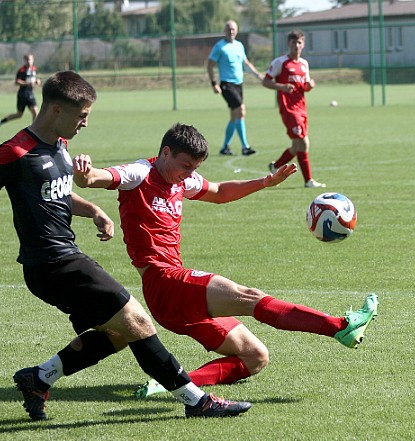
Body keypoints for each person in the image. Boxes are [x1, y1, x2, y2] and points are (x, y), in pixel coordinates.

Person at [0, 71, 252, 421]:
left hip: (65, 256)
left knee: (119, 332)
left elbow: (54, 193)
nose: (85, 123)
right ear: (57, 110)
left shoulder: (59, 144)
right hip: (50, 262)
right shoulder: (14, 152)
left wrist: (94, 210)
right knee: (137, 319)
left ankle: (39, 377)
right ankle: (197, 401)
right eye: (82, 115)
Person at [73, 122, 379, 394]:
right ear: (165, 153)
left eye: (194, 168)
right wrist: (85, 174)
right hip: (163, 281)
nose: (190, 174)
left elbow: (218, 191)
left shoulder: (181, 180)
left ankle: (170, 382)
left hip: (174, 298)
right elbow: (96, 178)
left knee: (256, 356)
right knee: (249, 297)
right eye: (186, 165)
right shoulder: (140, 174)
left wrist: (264, 182)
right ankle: (339, 326)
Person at [262, 30, 326, 188]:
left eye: (299, 43)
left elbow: (304, 86)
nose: (296, 46)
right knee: (303, 143)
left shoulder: (304, 64)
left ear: (303, 44)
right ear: (288, 44)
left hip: (302, 107)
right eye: (293, 43)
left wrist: (310, 86)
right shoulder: (280, 62)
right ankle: (308, 181)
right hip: (288, 108)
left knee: (297, 146)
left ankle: (276, 166)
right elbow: (266, 81)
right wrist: (281, 86)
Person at [207, 20, 262, 156]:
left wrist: (258, 75)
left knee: (234, 117)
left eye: (233, 29)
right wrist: (214, 83)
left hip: (238, 84)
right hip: (226, 85)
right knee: (241, 110)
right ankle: (245, 147)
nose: (231, 32)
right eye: (228, 29)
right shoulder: (220, 47)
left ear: (237, 31)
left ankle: (225, 147)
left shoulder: (239, 45)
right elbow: (209, 65)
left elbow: (246, 62)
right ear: (224, 31)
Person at [0, 54, 41, 128]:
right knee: (19, 115)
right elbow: (17, 82)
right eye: (27, 60)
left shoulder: (34, 69)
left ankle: (34, 129)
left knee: (35, 111)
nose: (29, 61)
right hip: (22, 94)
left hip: (30, 94)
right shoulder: (22, 70)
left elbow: (35, 79)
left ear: (33, 60)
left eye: (30, 59)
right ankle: (2, 121)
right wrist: (27, 83)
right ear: (25, 60)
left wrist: (38, 81)